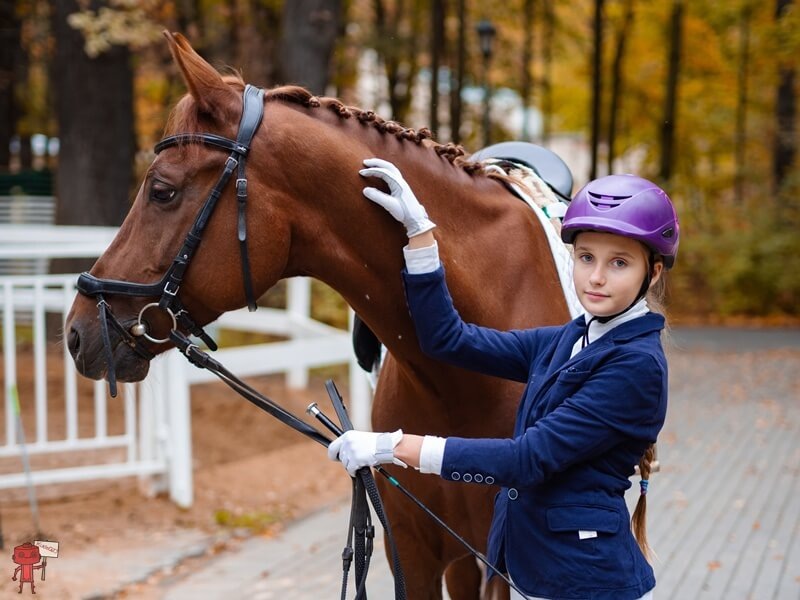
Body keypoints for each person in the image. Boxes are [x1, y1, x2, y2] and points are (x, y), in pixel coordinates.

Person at [328, 158, 680, 600]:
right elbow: (448, 340)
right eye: (586, 257)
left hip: (587, 584)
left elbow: (526, 460)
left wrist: (390, 447)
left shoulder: (636, 366)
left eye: (619, 263)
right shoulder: (570, 338)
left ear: (654, 271)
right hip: (543, 579)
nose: (595, 277)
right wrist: (421, 237)